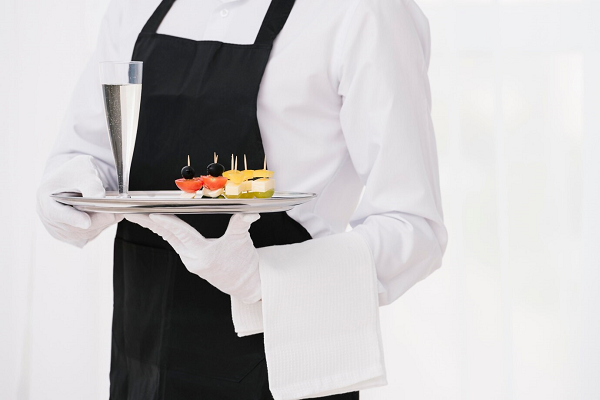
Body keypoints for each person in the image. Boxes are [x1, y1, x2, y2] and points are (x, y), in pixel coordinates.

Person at [36, 0, 448, 398]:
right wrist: (67, 196)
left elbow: (414, 227)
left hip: (282, 364)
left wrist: (264, 277)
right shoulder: (133, 7)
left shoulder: (366, 11)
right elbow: (88, 156)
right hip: (141, 357)